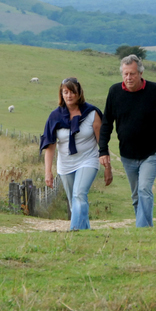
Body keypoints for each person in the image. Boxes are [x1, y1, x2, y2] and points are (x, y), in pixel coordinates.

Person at [98, 54, 156, 228]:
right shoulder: (114, 92)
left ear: (141, 73)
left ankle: (142, 228)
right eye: (126, 74)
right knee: (136, 195)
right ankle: (144, 231)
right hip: (128, 154)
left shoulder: (155, 91)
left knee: (144, 188)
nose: (129, 78)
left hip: (152, 152)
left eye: (132, 74)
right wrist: (103, 150)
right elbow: (107, 123)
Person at [40, 77, 112, 230]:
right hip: (65, 164)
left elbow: (102, 143)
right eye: (65, 92)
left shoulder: (92, 113)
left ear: (79, 93)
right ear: (61, 94)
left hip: (88, 160)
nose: (69, 95)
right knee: (74, 202)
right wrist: (48, 172)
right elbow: (50, 147)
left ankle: (75, 230)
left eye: (72, 92)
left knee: (79, 194)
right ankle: (84, 232)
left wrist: (108, 167)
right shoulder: (55, 117)